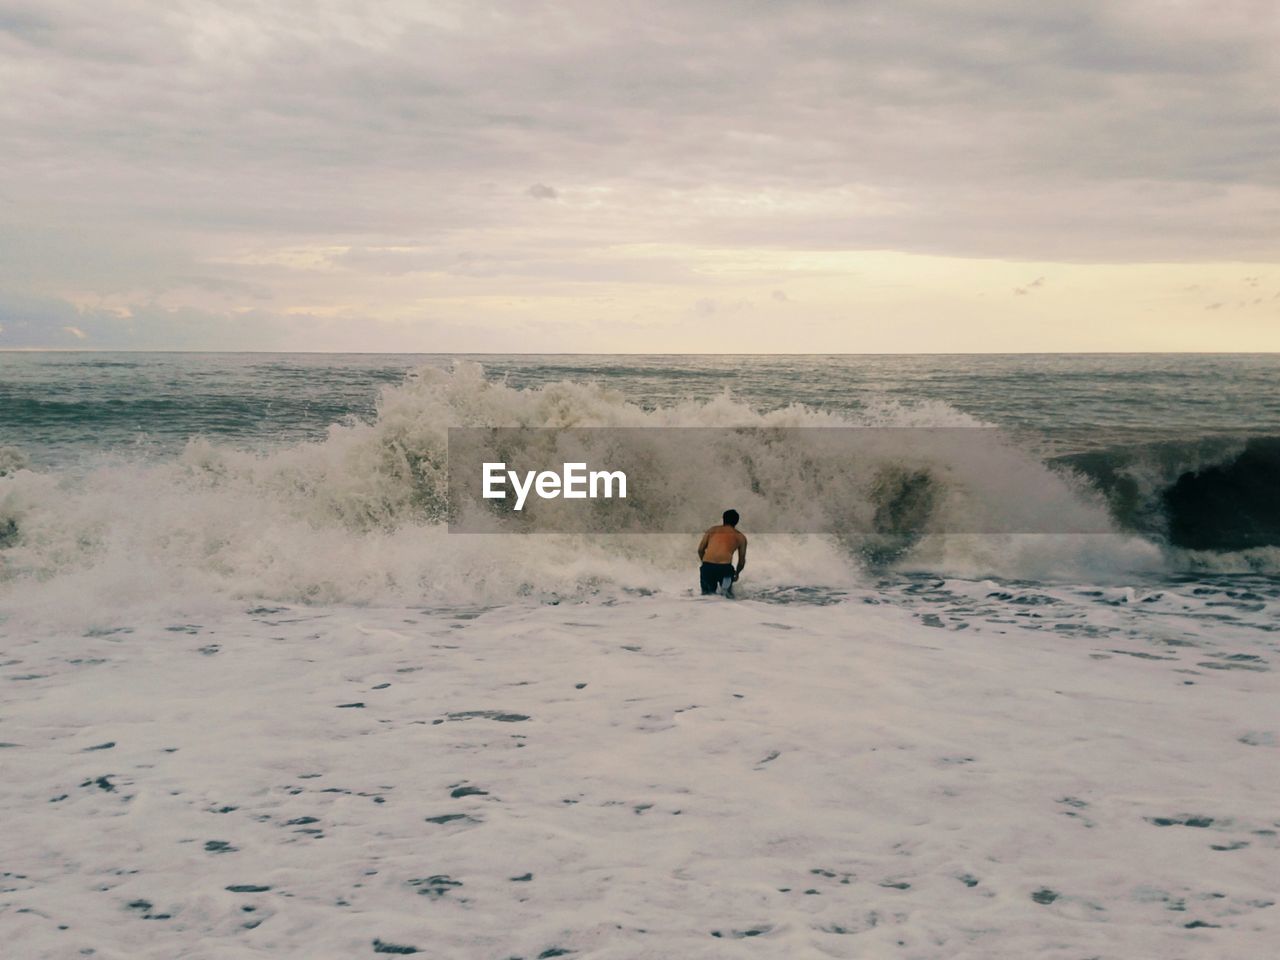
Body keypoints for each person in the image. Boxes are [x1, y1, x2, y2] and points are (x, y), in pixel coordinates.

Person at [697, 509, 747, 597]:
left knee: (706, 596)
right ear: (736, 522)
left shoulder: (712, 530)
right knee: (727, 596)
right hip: (725, 570)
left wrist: (705, 563)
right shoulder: (740, 537)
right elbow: (741, 561)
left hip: (707, 568)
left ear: (723, 519)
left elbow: (700, 550)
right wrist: (737, 573)